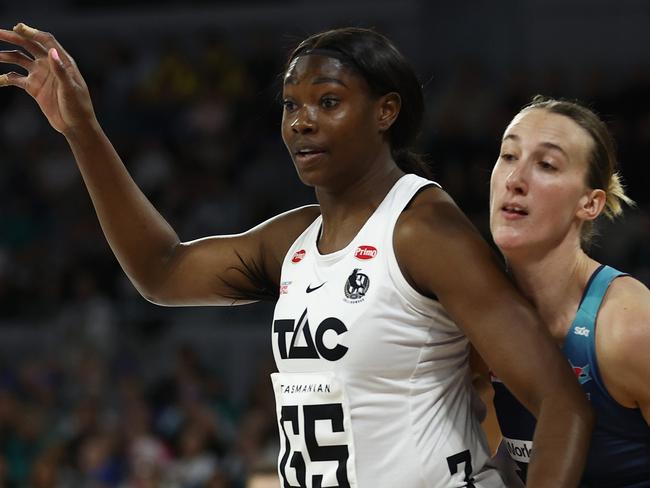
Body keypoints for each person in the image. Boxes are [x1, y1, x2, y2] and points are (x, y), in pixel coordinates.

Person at [0, 23, 593, 487]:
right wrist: (82, 130)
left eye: (328, 101)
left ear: (385, 112)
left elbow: (562, 407)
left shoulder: (424, 232)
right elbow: (161, 272)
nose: (302, 121)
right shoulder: (294, 241)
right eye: (291, 105)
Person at [487, 96, 650, 485]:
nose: (515, 179)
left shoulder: (631, 328)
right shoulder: (475, 321)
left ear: (590, 203)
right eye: (509, 155)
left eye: (546, 164)